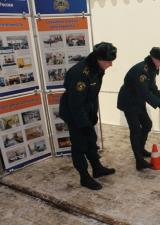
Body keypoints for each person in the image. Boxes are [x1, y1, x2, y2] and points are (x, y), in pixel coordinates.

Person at [59, 42, 117, 190]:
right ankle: (84, 177)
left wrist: (93, 114)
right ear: (98, 58)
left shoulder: (96, 69)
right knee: (79, 145)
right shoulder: (81, 74)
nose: (111, 65)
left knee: (91, 140)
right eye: (108, 61)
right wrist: (84, 124)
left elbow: (92, 95)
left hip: (86, 110)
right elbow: (76, 104)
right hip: (74, 114)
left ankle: (97, 168)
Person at [117, 47, 160, 171]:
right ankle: (139, 161)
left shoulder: (150, 68)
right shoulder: (142, 70)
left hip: (138, 100)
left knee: (147, 124)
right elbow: (145, 93)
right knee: (135, 130)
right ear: (154, 58)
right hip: (129, 102)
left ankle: (140, 150)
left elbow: (154, 89)